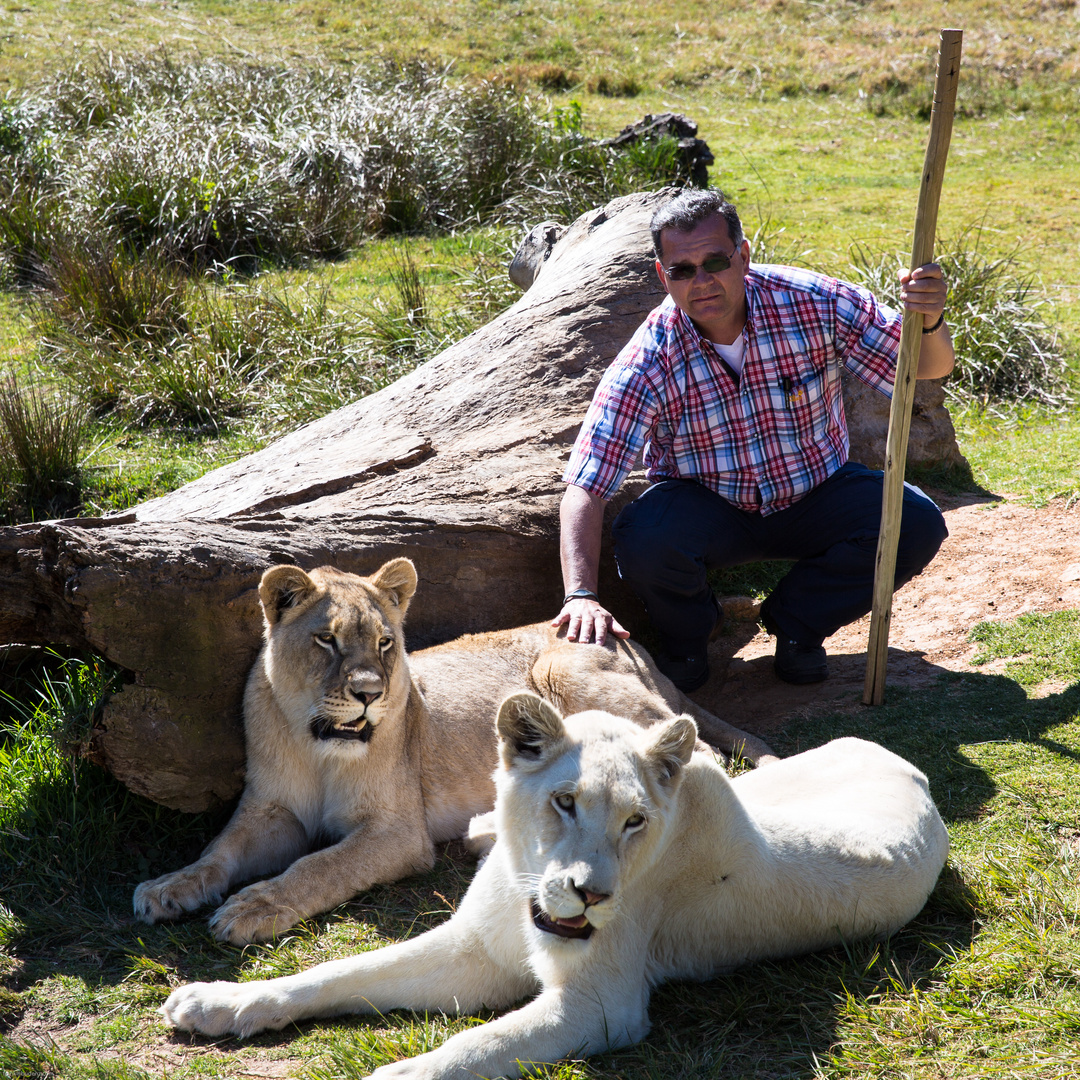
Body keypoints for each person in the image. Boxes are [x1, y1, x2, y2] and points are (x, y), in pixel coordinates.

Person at [552, 188, 954, 691]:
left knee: (913, 522)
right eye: (682, 269)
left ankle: (797, 625)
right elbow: (586, 484)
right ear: (663, 275)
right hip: (711, 508)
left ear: (743, 255)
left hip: (817, 493)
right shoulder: (648, 358)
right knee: (645, 538)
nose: (702, 281)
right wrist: (580, 595)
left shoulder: (815, 301)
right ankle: (692, 638)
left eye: (715, 261)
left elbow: (928, 367)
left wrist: (930, 320)